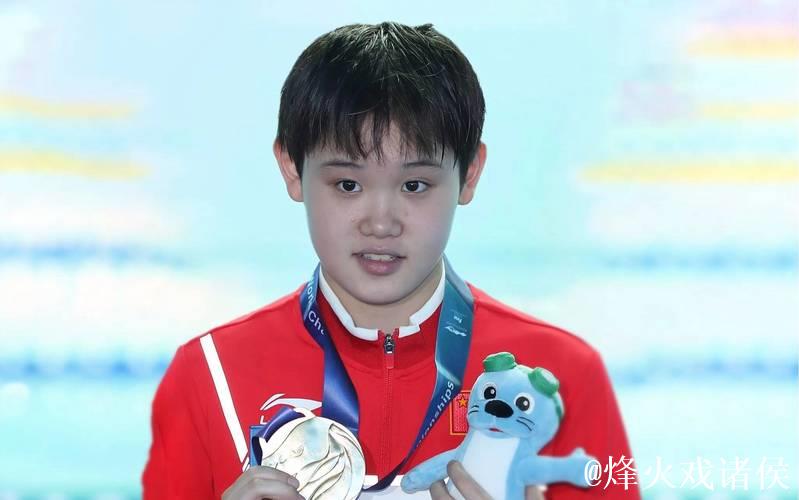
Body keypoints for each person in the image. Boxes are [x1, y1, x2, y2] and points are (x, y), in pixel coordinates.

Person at [142, 21, 641, 500]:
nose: (381, 222)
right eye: (348, 185)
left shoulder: (560, 378)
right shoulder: (209, 375)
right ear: (292, 168)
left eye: (414, 185)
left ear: (469, 174)